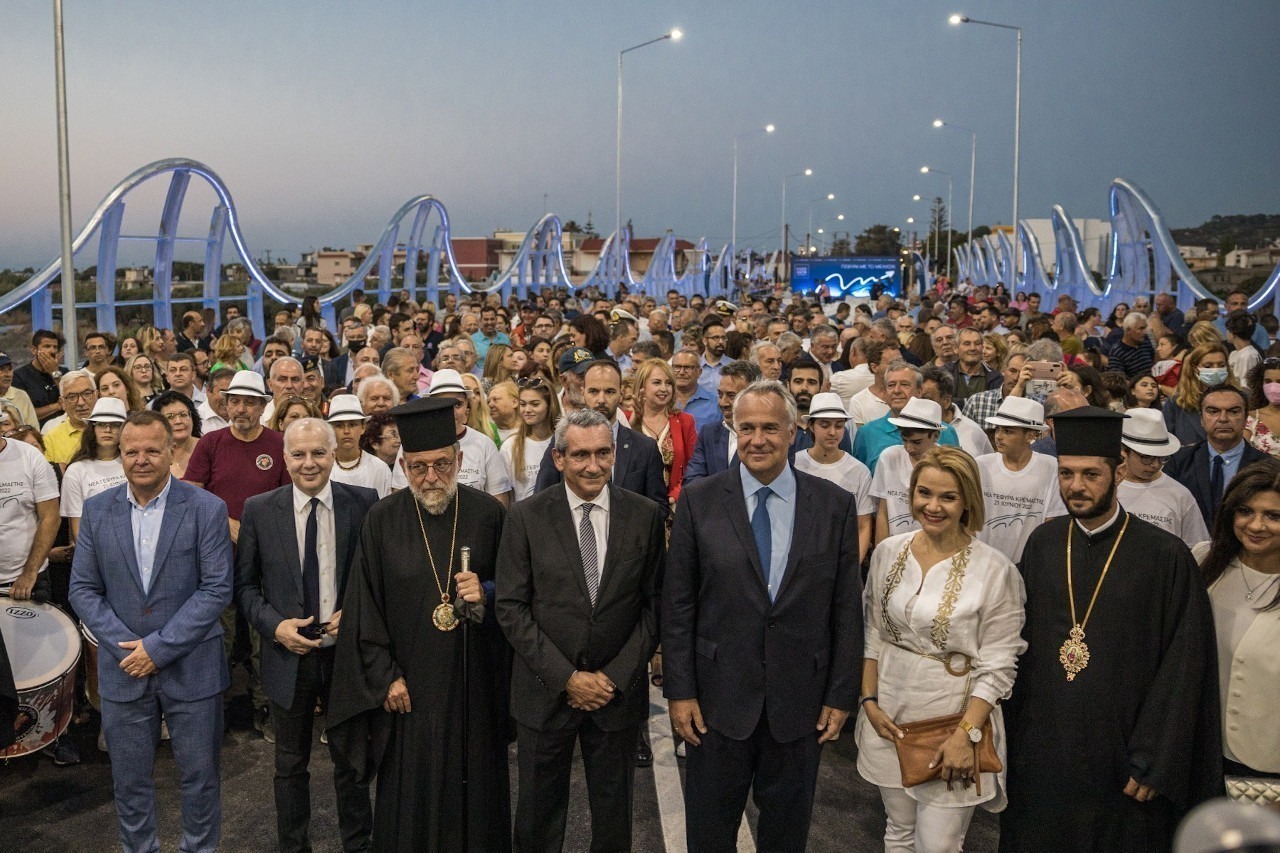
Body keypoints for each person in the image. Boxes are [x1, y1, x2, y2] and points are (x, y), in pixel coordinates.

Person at [1000, 407, 1223, 853]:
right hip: (1044, 752)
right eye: (1066, 474)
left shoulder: (1165, 556)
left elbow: (1183, 667)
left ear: (1118, 472)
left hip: (1122, 760)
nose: (1076, 486)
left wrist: (1156, 758)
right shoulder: (1043, 543)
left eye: (1090, 474)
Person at [663, 379, 863, 851]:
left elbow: (846, 608)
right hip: (715, 705)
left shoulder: (834, 505)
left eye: (770, 428)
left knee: (786, 838)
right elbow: (678, 605)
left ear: (793, 432)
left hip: (800, 705)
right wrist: (680, 692)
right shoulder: (699, 501)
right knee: (709, 836)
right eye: (747, 428)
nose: (757, 439)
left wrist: (840, 694)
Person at [326, 396, 512, 851]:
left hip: (473, 685)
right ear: (404, 467)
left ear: (460, 461)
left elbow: (516, 595)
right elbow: (363, 606)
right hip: (408, 690)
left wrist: (485, 593)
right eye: (419, 467)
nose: (431, 477)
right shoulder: (382, 520)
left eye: (442, 465)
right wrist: (385, 676)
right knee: (411, 797)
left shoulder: (489, 515)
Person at [497, 408, 665, 851]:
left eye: (602, 453)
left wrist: (613, 677)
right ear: (558, 458)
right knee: (537, 818)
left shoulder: (645, 515)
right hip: (543, 694)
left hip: (616, 697)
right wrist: (567, 678)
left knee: (614, 819)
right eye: (580, 455)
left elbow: (654, 607)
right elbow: (511, 607)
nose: (593, 465)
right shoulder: (526, 517)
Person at [69, 410, 234, 852]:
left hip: (193, 667)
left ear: (172, 452)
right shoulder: (96, 510)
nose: (141, 460)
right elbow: (82, 588)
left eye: (151, 451)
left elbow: (216, 588)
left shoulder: (207, 508)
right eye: (131, 452)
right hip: (123, 667)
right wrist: (127, 647)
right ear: (120, 454)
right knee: (129, 782)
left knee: (201, 778)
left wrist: (156, 649)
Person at [859, 446, 1027, 853]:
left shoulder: (996, 570)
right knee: (898, 832)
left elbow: (999, 665)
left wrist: (966, 735)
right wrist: (869, 701)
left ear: (968, 501)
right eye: (924, 493)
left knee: (938, 846)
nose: (932, 506)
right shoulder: (888, 552)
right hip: (888, 716)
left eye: (948, 497)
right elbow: (873, 631)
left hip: (952, 720)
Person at [235, 417, 380, 853]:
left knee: (352, 765)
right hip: (287, 656)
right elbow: (245, 588)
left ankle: (358, 845)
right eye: (298, 454)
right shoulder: (259, 509)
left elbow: (377, 579)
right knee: (289, 766)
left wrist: (354, 614)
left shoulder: (364, 502)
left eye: (318, 452)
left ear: (334, 454)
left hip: (346, 656)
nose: (309, 463)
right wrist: (275, 627)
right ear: (285, 458)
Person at [184, 370, 292, 740]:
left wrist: (258, 534)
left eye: (249, 402)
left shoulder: (279, 444)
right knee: (221, 637)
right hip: (218, 559)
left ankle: (267, 707)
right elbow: (191, 493)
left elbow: (289, 499)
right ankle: (217, 710)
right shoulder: (210, 443)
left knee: (266, 638)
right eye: (234, 401)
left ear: (263, 406)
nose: (241, 408)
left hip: (267, 560)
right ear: (226, 404)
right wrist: (227, 523)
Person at [1192, 459, 1280, 789]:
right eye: (1245, 511)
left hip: (1267, 764)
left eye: (1273, 516)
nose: (1256, 525)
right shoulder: (1204, 560)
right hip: (1200, 751)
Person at [533, 361, 667, 517]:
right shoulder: (561, 439)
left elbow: (658, 510)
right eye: (594, 391)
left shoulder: (645, 447)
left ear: (621, 394)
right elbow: (542, 500)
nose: (601, 399)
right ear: (583, 392)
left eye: (609, 391)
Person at [1164, 383, 1269, 531]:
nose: (1223, 419)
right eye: (1213, 411)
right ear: (1201, 419)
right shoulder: (1178, 461)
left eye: (1233, 411)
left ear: (1246, 419)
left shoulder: (1268, 468)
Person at [975, 397, 1065, 562]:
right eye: (998, 429)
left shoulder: (1051, 467)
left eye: (1008, 431)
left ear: (1030, 435)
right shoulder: (981, 465)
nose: (999, 436)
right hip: (983, 562)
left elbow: (1051, 522)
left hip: (1030, 564)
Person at [794, 392, 874, 563]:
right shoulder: (794, 465)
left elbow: (863, 526)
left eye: (838, 426)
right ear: (811, 426)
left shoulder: (859, 472)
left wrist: (852, 567)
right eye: (825, 425)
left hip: (843, 556)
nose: (832, 432)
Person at [1117, 408, 1210, 543]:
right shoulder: (1106, 487)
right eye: (1147, 457)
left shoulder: (1180, 495)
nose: (1155, 465)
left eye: (1162, 458)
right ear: (1124, 451)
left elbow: (1196, 546)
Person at [854, 361, 960, 475]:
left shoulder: (946, 432)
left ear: (920, 391)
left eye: (904, 384)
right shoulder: (866, 433)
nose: (897, 390)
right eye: (891, 385)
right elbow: (859, 477)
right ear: (885, 392)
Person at [426, 369, 512, 506]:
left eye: (458, 405)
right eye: (443, 404)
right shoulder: (414, 445)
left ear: (467, 405)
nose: (451, 412)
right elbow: (401, 498)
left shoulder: (484, 444)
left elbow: (499, 501)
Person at [872, 397, 948, 541]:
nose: (909, 448)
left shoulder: (948, 465)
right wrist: (881, 550)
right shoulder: (888, 457)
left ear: (935, 436)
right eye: (904, 440)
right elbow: (883, 512)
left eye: (916, 442)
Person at [632, 358, 698, 509]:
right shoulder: (627, 419)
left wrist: (675, 495)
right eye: (657, 382)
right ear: (642, 387)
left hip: (674, 506)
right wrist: (634, 426)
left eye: (668, 383)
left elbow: (694, 466)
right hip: (636, 506)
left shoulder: (685, 421)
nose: (664, 388)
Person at [60, 397, 128, 541]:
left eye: (115, 425)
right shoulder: (76, 471)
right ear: (93, 428)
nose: (108, 430)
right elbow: (77, 530)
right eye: (101, 424)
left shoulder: (134, 463)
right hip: (96, 546)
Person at [684, 360, 762, 485]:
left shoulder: (768, 437)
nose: (722, 403)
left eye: (731, 396)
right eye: (720, 395)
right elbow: (691, 481)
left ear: (754, 396)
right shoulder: (708, 433)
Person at [500, 378, 560, 502]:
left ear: (549, 405)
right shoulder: (510, 446)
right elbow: (508, 496)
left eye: (535, 404)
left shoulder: (562, 441)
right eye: (523, 404)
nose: (527, 410)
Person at [1165, 343, 1235, 445]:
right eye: (1208, 366)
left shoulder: (1239, 399)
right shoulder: (1176, 402)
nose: (1215, 370)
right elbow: (1166, 441)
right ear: (1195, 368)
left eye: (1221, 365)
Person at [326, 394, 393, 498]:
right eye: (339, 425)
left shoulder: (380, 469)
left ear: (363, 428)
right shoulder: (324, 468)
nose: (346, 431)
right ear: (331, 430)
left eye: (352, 425)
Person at [13, 330, 66, 425]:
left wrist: (54, 372)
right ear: (34, 350)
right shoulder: (19, 376)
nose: (52, 351)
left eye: (55, 347)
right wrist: (57, 406)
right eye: (47, 346)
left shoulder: (64, 372)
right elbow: (25, 414)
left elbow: (73, 399)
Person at [152, 390, 202, 480]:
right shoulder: (153, 454)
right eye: (170, 417)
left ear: (192, 417)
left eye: (183, 415)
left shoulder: (208, 448)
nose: (178, 421)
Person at [670, 348, 720, 431]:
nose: (682, 372)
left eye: (688, 368)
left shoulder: (715, 403)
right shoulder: (663, 400)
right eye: (677, 367)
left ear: (699, 372)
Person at [1244, 357, 1280, 456]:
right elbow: (1243, 456)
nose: (1273, 388)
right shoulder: (1250, 419)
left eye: (1279, 381)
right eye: (1268, 381)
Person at [1108, 311, 1156, 378]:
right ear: (1128, 330)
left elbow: (1154, 363)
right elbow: (1119, 380)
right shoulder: (1117, 353)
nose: (1145, 332)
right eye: (1141, 328)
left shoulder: (1146, 343)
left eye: (1145, 328)